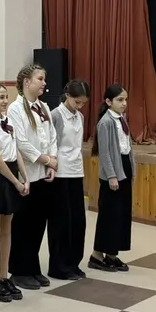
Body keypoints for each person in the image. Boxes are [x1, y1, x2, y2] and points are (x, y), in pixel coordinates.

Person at [7, 63, 58, 290]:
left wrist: (52, 160)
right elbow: (21, 142)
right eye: (40, 79)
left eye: (44, 79)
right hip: (27, 173)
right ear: (27, 82)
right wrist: (45, 159)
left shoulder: (44, 106)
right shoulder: (15, 109)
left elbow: (52, 135)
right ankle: (19, 270)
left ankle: (33, 266)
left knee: (39, 223)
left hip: (44, 174)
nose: (44, 83)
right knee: (24, 224)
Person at [0, 83, 27, 302]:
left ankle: (4, 275)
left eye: (6, 97)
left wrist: (25, 176)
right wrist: (15, 182)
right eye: (0, 97)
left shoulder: (7, 120)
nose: (5, 101)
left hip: (13, 173)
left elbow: (16, 150)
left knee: (8, 229)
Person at [49, 80, 90, 280]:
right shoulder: (56, 115)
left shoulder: (79, 116)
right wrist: (52, 165)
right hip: (60, 173)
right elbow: (52, 143)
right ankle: (59, 266)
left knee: (78, 221)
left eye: (83, 103)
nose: (79, 106)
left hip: (76, 171)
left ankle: (73, 263)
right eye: (77, 102)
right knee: (61, 222)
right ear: (67, 96)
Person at [90, 84, 133, 272]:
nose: (124, 103)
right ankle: (97, 255)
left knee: (121, 214)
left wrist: (131, 169)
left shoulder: (122, 118)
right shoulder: (106, 122)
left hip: (124, 168)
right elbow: (105, 152)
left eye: (125, 99)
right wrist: (112, 176)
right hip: (113, 173)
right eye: (120, 100)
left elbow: (126, 146)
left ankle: (112, 254)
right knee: (109, 215)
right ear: (108, 101)